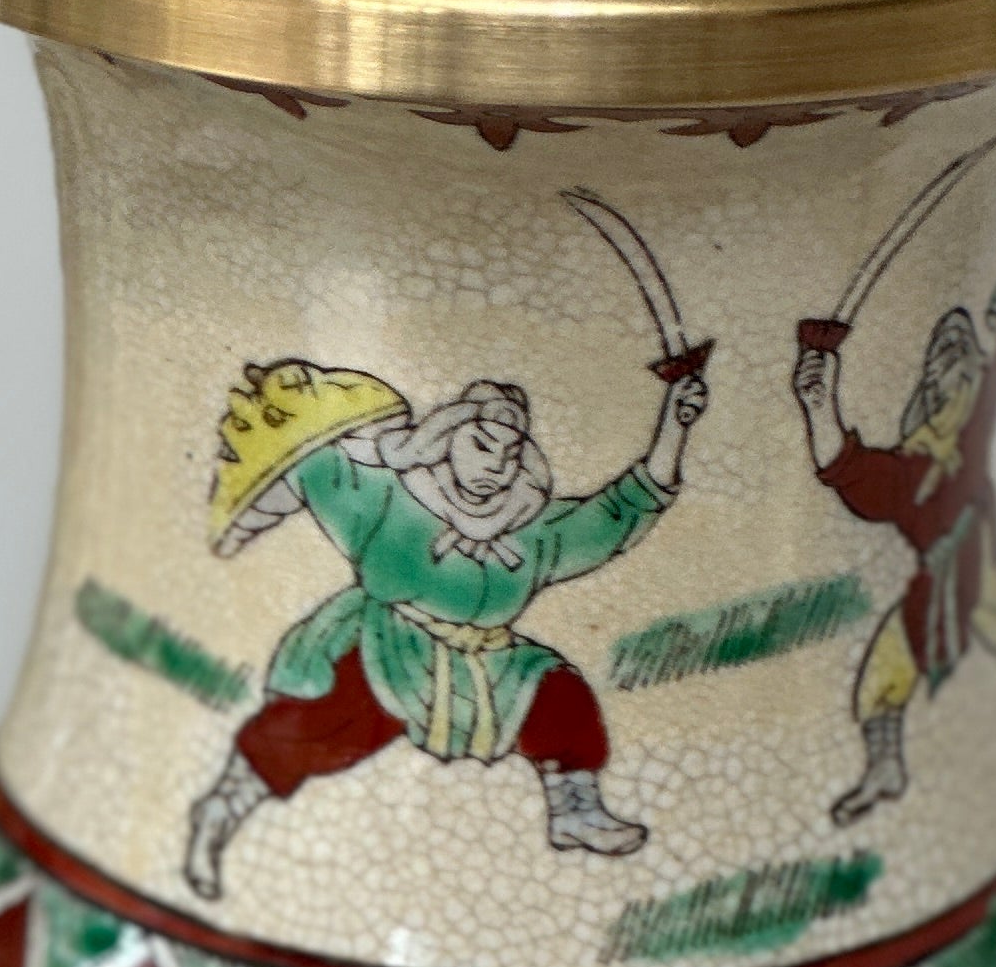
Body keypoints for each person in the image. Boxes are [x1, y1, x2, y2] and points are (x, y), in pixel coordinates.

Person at [182, 364, 704, 896]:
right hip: (384, 643)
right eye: (481, 445)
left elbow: (619, 511)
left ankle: (576, 809)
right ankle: (222, 807)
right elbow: (311, 465)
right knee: (317, 724)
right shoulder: (389, 498)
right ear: (445, 439)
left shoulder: (534, 530)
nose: (495, 467)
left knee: (559, 695)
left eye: (510, 454)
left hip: (485, 660)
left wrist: (675, 425)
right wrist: (250, 493)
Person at [794, 274, 996, 826]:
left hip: (976, 570)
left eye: (960, 362)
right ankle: (885, 767)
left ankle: (970, 754)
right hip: (934, 586)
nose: (948, 378)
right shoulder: (916, 467)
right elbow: (854, 471)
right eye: (939, 367)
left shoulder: (965, 437)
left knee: (990, 643)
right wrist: (818, 406)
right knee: (883, 673)